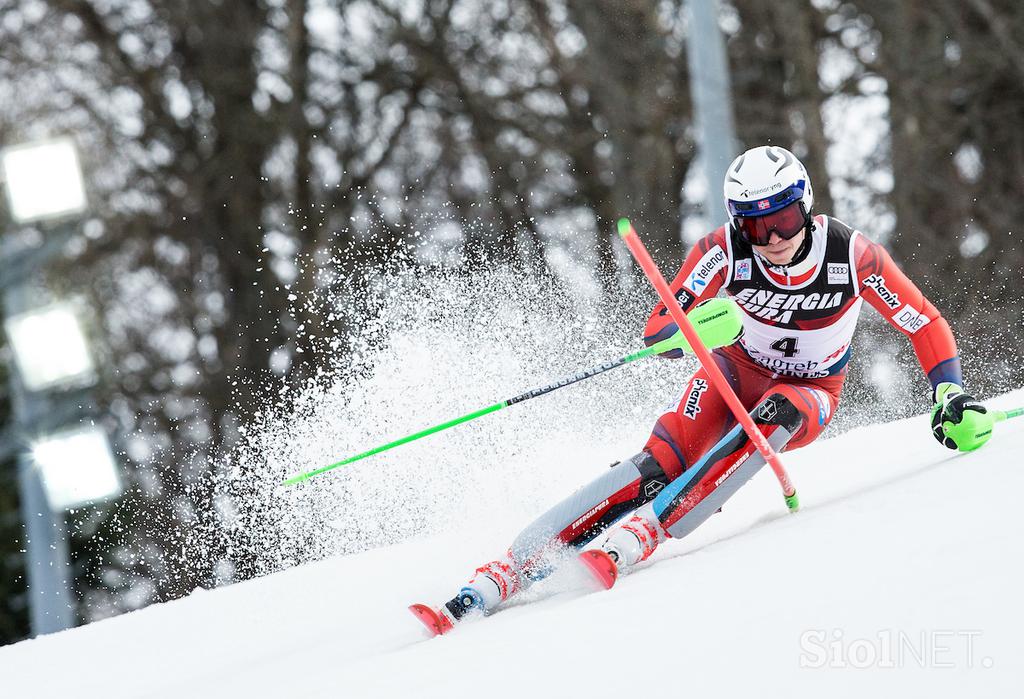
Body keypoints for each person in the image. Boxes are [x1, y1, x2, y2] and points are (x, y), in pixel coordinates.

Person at [411, 145, 994, 636]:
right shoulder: (724, 250)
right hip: (730, 372)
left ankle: (650, 531)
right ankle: (512, 567)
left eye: (783, 221)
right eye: (755, 224)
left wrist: (948, 392)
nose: (770, 237)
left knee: (775, 414)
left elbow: (924, 321)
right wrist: (695, 326)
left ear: (806, 208)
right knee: (660, 462)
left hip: (812, 389)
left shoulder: (850, 254)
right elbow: (659, 330)